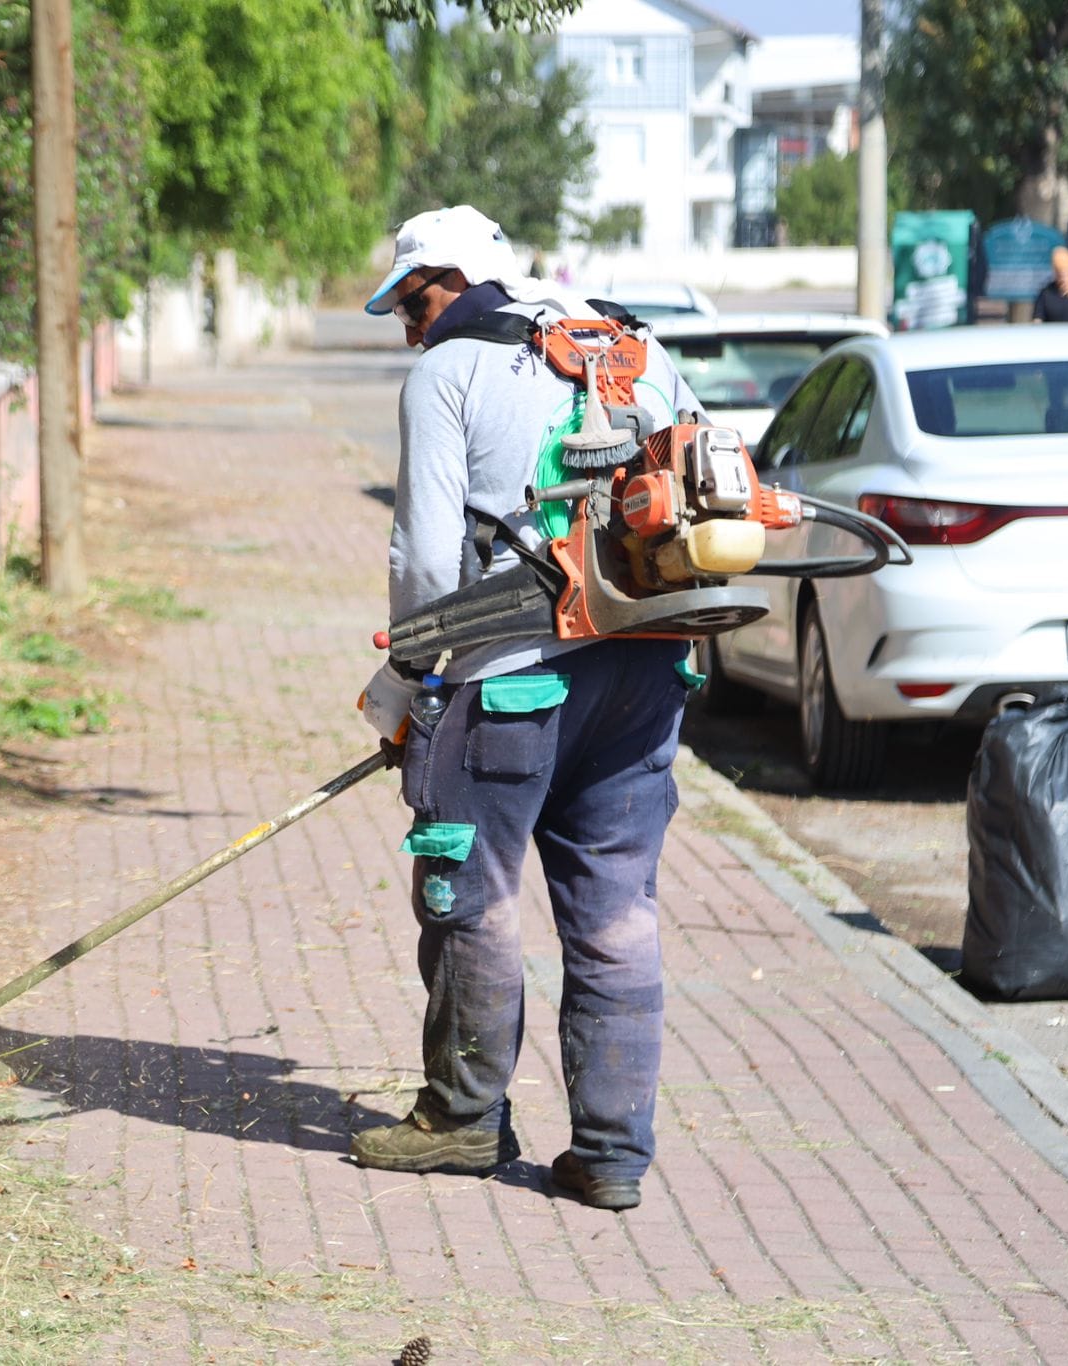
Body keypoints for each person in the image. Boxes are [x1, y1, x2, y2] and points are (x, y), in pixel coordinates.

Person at [350, 206, 704, 1212]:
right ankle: (609, 1154)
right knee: (616, 910)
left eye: (414, 302)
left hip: (508, 674)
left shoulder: (447, 371)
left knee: (475, 894)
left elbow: (423, 560)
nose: (409, 329)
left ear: (458, 279)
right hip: (643, 668)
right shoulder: (629, 345)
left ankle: (460, 1122)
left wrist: (406, 690)